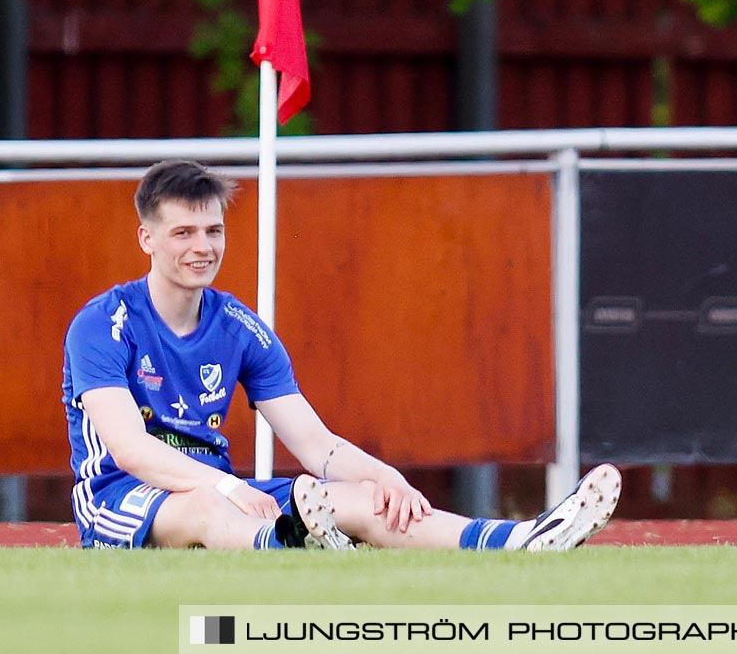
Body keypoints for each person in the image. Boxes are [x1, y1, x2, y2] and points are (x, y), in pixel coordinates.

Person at [62, 159, 621, 551]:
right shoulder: (101, 324)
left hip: (224, 495)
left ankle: (521, 539)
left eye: (214, 230)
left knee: (363, 501)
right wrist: (229, 488)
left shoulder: (241, 328)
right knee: (212, 511)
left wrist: (388, 481)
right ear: (147, 240)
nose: (202, 247)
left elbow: (316, 445)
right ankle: (293, 541)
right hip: (123, 498)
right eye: (183, 232)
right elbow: (131, 450)